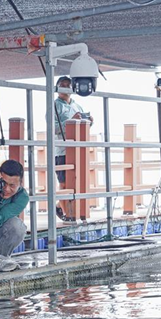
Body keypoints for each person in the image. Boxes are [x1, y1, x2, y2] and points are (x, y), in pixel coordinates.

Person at [53, 76, 93, 222]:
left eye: (68, 85)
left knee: (77, 182)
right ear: (57, 88)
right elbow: (53, 128)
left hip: (78, 151)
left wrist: (88, 122)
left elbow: (82, 127)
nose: (65, 88)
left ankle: (63, 206)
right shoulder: (54, 106)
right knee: (64, 182)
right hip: (62, 150)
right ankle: (68, 214)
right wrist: (71, 121)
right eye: (62, 85)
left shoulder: (77, 106)